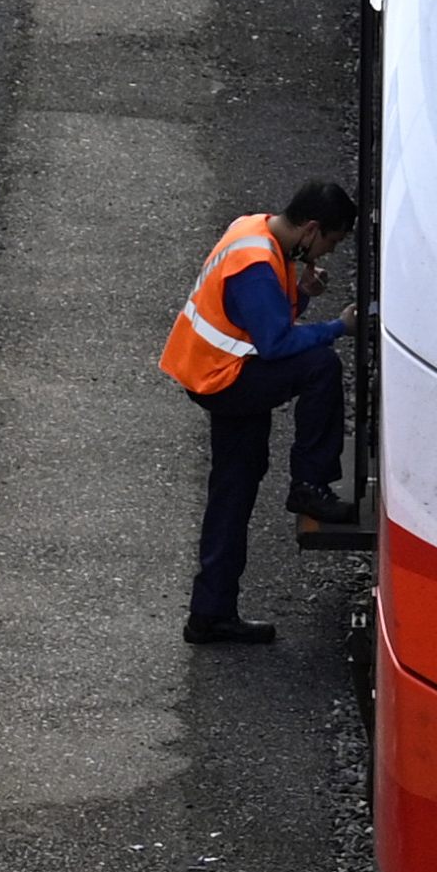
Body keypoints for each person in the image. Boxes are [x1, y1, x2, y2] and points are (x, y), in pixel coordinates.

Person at [160, 178, 361, 644]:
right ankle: (310, 484)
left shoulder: (254, 230)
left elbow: (264, 316)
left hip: (217, 371)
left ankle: (210, 614)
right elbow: (275, 344)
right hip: (226, 379)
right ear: (311, 229)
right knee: (321, 365)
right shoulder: (255, 263)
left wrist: (305, 292)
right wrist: (339, 326)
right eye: (329, 242)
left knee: (235, 486)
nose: (326, 253)